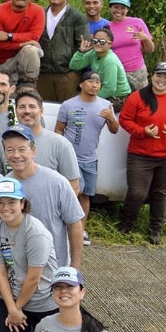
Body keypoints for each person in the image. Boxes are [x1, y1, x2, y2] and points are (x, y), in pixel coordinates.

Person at [0, 124, 84, 268]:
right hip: (18, 270)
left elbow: (75, 224)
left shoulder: (57, 182)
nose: (16, 155)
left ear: (33, 151)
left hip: (53, 268)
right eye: (10, 150)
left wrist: (75, 266)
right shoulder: (3, 186)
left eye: (22, 149)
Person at [0, 177, 59, 332]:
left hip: (43, 302)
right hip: (13, 300)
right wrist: (12, 308)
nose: (5, 208)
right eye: (0, 202)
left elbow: (33, 278)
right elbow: (0, 272)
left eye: (11, 202)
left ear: (22, 204)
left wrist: (15, 309)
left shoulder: (35, 233)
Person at [56, 71, 119, 244]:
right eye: (90, 81)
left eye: (98, 82)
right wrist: (60, 152)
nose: (94, 84)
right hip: (70, 158)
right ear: (81, 84)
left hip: (90, 158)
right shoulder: (68, 105)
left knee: (86, 195)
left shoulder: (106, 105)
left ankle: (81, 230)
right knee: (70, 193)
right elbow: (59, 129)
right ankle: (63, 228)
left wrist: (111, 119)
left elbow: (115, 129)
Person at [116, 61, 166, 243]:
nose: (162, 80)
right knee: (137, 193)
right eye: (159, 75)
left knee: (160, 194)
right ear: (152, 76)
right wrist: (142, 131)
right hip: (140, 154)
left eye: (165, 77)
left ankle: (156, 230)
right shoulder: (138, 97)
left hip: (164, 157)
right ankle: (126, 225)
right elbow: (125, 119)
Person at [13, 89, 81, 193]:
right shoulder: (4, 144)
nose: (27, 111)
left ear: (41, 111)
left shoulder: (61, 144)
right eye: (22, 107)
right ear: (16, 111)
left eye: (32, 106)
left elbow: (74, 187)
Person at [37, 0, 89, 101]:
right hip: (43, 73)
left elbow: (84, 46)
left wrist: (76, 72)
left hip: (67, 74)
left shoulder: (77, 17)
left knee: (66, 111)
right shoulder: (39, 13)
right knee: (44, 110)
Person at [0, 0, 45, 87]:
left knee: (31, 50)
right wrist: (23, 43)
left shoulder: (38, 11)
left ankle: (29, 85)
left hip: (25, 58)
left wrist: (9, 36)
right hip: (3, 61)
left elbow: (34, 36)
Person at [67, 26, 132, 106]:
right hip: (101, 90)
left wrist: (90, 100)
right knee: (74, 102)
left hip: (117, 97)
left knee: (85, 107)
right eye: (95, 40)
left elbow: (109, 89)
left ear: (110, 44)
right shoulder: (93, 53)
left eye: (102, 41)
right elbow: (74, 66)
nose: (98, 43)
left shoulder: (110, 61)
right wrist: (81, 51)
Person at [106, 0, 155, 91]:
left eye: (123, 8)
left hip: (137, 71)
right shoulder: (107, 28)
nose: (119, 11)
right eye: (116, 7)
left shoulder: (137, 22)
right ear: (110, 8)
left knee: (142, 101)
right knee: (121, 103)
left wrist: (145, 38)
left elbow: (150, 50)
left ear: (127, 9)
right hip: (117, 73)